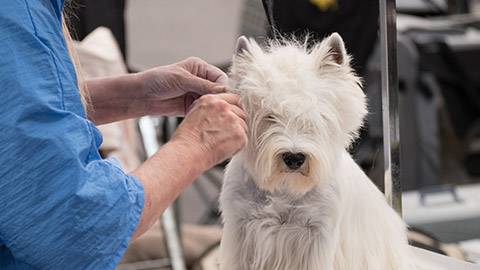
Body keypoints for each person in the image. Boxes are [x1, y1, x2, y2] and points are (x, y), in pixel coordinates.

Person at [0, 0, 247, 269]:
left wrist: (135, 96)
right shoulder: (16, 16)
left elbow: (15, 110)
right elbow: (78, 227)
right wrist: (196, 144)